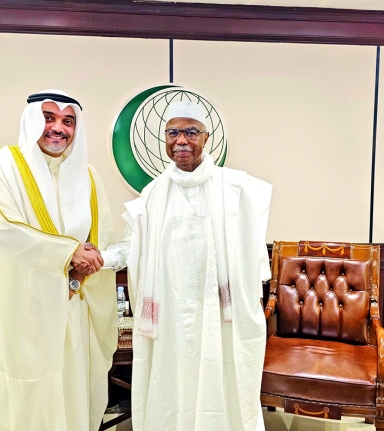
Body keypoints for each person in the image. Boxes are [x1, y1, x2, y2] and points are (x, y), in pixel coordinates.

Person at [0, 89, 118, 430]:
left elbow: (99, 239)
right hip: (15, 311)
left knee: (67, 390)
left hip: (69, 308)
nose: (58, 128)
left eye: (68, 121)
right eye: (48, 117)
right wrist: (68, 252)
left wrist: (78, 274)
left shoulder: (87, 176)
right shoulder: (0, 164)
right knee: (21, 396)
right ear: (30, 121)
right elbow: (1, 228)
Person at [102, 101, 273, 431]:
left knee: (221, 381)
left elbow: (254, 252)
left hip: (220, 314)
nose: (181, 140)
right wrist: (102, 259)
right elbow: (131, 246)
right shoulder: (153, 194)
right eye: (173, 132)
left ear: (206, 138)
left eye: (191, 132)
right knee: (172, 385)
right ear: (165, 138)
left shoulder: (236, 188)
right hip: (170, 317)